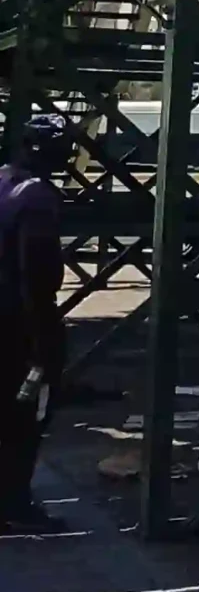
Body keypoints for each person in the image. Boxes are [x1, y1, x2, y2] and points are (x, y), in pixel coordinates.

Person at [0, 114, 71, 534]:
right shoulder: (39, 198)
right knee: (26, 416)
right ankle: (14, 503)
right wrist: (44, 347)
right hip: (16, 324)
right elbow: (37, 279)